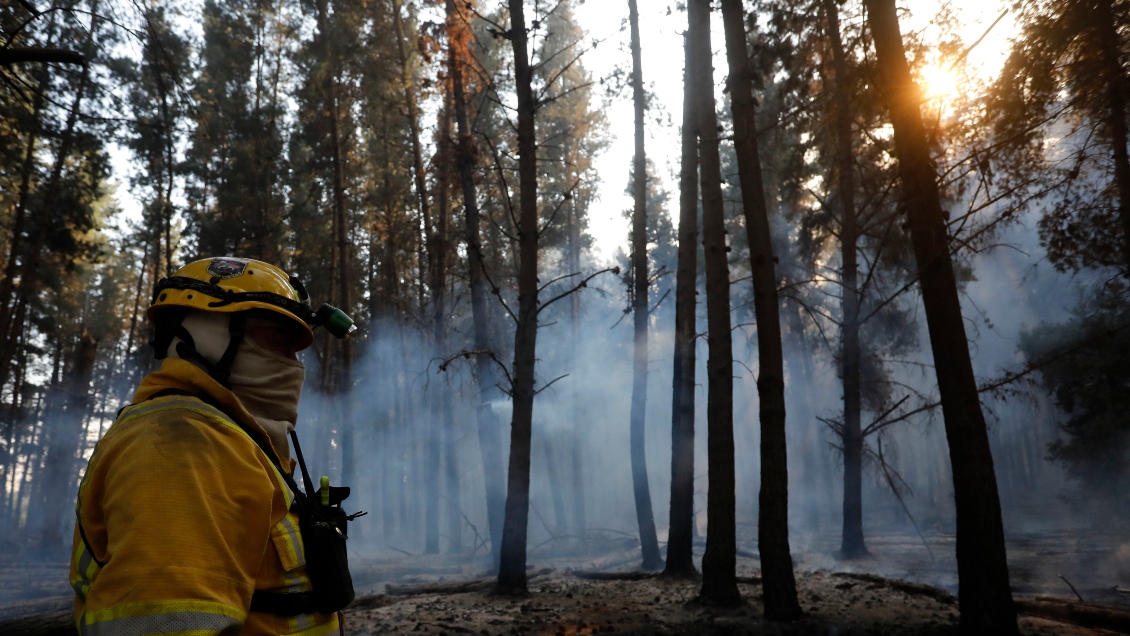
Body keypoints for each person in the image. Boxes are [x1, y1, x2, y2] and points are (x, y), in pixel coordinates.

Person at [70, 257, 356, 636]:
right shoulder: (181, 445)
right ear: (209, 335)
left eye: (295, 349)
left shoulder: (233, 439)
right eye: (277, 339)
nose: (293, 364)